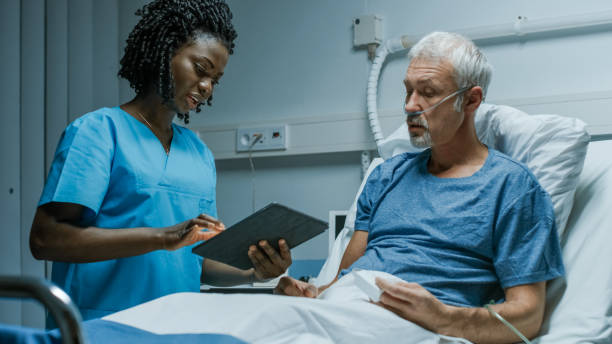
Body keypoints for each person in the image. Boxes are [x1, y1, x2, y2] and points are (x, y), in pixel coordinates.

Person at [275, 32, 564, 344]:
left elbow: (529, 316)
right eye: (408, 91)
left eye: (427, 93)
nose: (410, 105)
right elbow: (345, 279)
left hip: (416, 326)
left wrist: (443, 317)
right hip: (348, 310)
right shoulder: (387, 176)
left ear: (470, 100)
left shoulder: (512, 188)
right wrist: (311, 294)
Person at [29, 0, 291, 322]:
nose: (207, 87)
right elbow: (46, 239)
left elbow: (196, 260)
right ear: (164, 52)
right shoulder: (98, 132)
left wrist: (254, 271)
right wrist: (162, 237)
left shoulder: (198, 153)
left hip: (175, 327)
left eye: (216, 80)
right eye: (200, 69)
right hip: (101, 327)